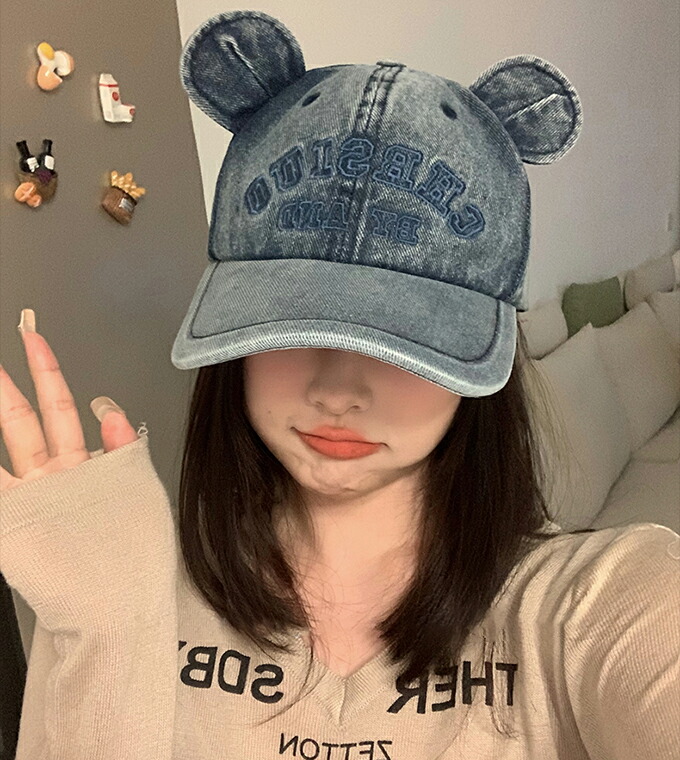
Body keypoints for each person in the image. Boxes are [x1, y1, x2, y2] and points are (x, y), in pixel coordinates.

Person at [1, 9, 678, 760]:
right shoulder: (132, 589)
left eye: (402, 337)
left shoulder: (598, 602)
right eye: (293, 324)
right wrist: (100, 628)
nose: (338, 390)